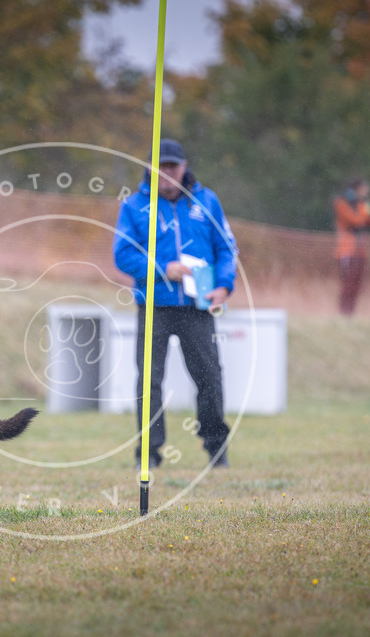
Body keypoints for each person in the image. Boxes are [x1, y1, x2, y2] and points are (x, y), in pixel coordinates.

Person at [113, 139, 237, 469]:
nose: (168, 173)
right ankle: (149, 453)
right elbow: (123, 255)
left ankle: (216, 448)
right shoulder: (134, 205)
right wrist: (162, 269)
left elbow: (226, 248)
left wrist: (224, 286)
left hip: (199, 307)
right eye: (162, 167)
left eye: (173, 166)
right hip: (154, 306)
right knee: (149, 381)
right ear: (152, 171)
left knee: (210, 377)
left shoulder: (207, 201)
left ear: (184, 167)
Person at [333, 177, 370, 316]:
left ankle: (350, 314)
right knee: (347, 285)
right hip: (346, 251)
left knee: (356, 286)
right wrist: (367, 208)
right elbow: (357, 221)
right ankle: (343, 313)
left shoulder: (362, 205)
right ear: (357, 189)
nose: (367, 192)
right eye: (366, 189)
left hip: (360, 252)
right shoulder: (341, 203)